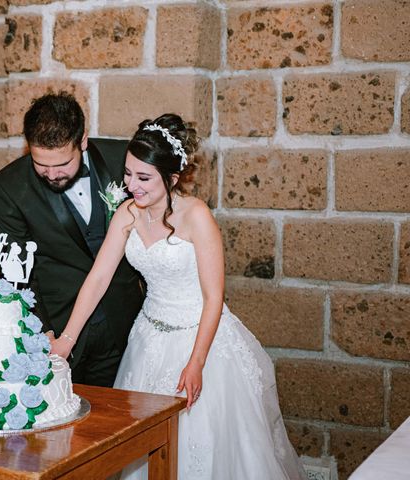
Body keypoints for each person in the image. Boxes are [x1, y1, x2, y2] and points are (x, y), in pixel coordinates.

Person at [50, 113, 306, 479]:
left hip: (201, 338)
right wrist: (66, 340)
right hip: (149, 337)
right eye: (127, 174)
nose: (131, 186)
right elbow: (98, 278)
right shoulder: (126, 214)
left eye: (143, 178)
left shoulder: (197, 216)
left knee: (204, 443)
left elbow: (214, 295)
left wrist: (196, 362)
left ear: (171, 178)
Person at [0, 92, 144, 387]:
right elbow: (17, 270)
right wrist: (43, 331)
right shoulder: (9, 186)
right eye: (41, 164)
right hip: (59, 332)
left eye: (61, 164)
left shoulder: (122, 159)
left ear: (82, 141)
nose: (51, 174)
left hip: (125, 324)